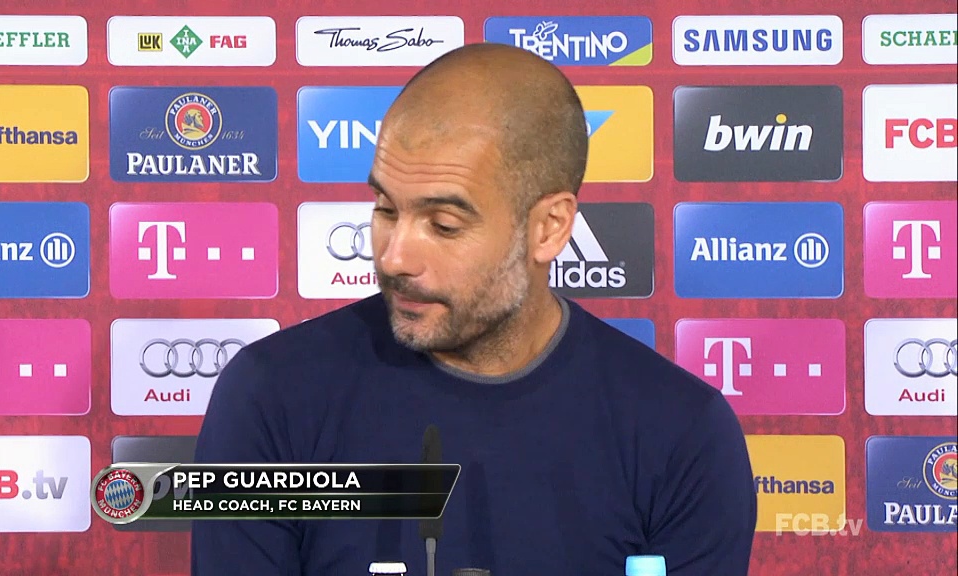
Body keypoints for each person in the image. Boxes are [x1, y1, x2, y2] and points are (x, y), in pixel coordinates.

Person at [192, 43, 757, 575]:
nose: (395, 257)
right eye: (386, 209)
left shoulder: (683, 435)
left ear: (549, 228)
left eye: (444, 225)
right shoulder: (270, 396)